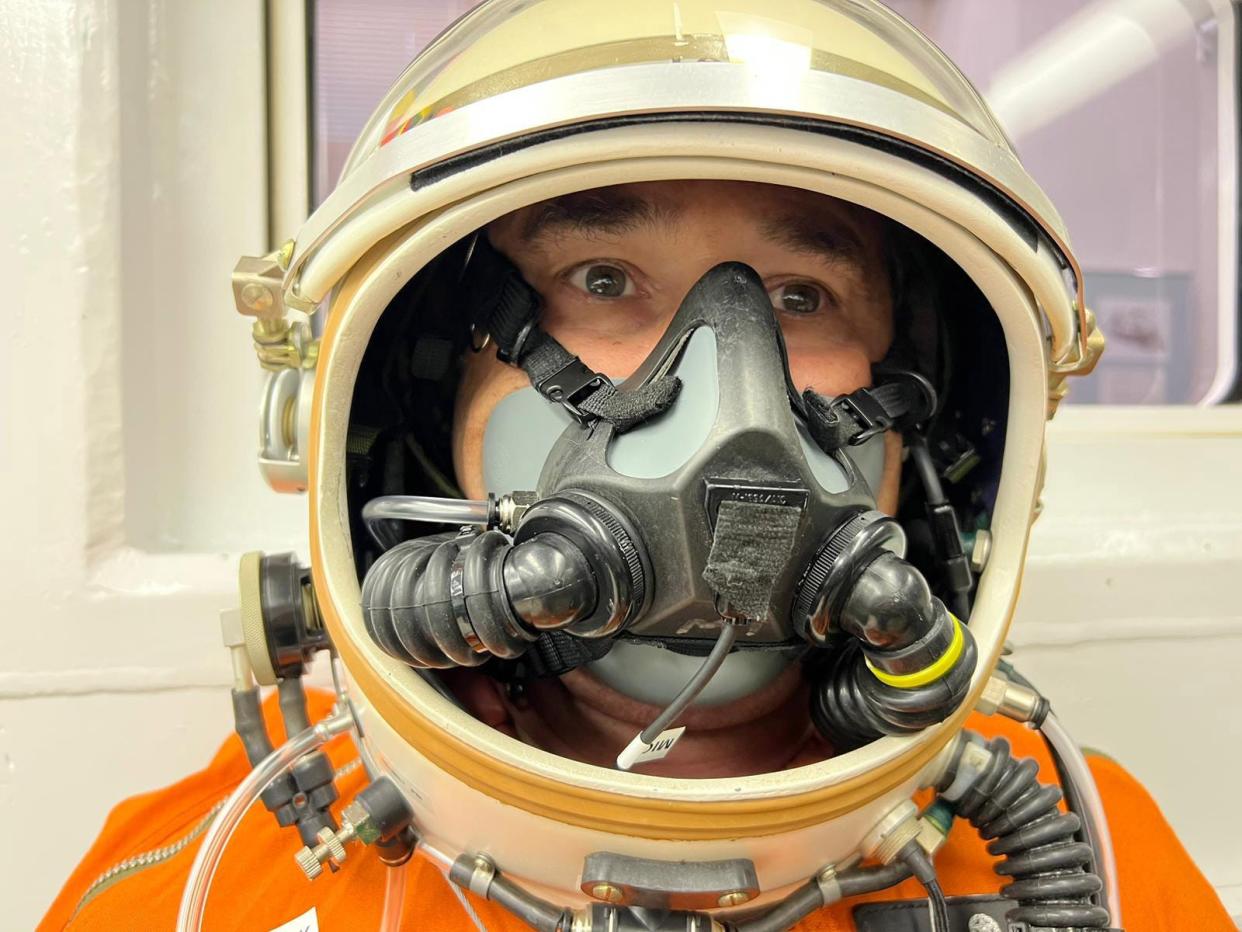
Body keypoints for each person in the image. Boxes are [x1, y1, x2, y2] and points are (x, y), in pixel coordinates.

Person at [43, 1, 1234, 930]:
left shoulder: (1096, 852)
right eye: (604, 279)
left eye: (801, 296)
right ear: (424, 379)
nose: (732, 392)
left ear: (929, 424)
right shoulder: (202, 871)